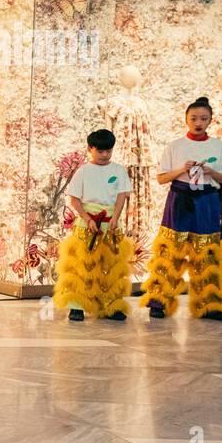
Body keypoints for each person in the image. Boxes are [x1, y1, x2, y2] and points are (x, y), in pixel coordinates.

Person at [140, 97, 222, 320]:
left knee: (207, 252)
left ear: (210, 120)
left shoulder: (218, 146)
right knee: (171, 249)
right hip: (179, 199)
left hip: (207, 201)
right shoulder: (176, 146)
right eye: (193, 118)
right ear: (186, 119)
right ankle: (159, 302)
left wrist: (210, 171)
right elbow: (162, 178)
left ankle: (209, 304)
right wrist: (182, 169)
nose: (198, 122)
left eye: (203, 118)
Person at [52, 129, 134, 321]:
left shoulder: (119, 170)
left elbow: (122, 196)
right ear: (91, 149)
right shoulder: (83, 172)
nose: (105, 155)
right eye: (100, 151)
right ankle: (77, 306)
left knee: (111, 266)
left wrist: (115, 218)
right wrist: (87, 219)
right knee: (82, 266)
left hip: (111, 223)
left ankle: (111, 306)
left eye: (108, 151)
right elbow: (75, 200)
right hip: (86, 224)